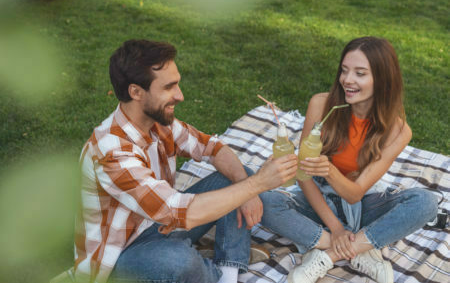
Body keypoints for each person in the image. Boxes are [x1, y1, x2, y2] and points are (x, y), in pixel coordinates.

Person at [73, 39, 298, 283]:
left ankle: (229, 272)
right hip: (120, 260)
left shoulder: (157, 123)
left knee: (235, 175)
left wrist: (246, 185)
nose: (180, 96)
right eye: (169, 87)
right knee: (178, 260)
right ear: (136, 92)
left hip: (158, 227)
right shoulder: (111, 152)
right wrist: (257, 184)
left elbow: (213, 148)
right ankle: (210, 273)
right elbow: (179, 212)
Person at [259, 37, 438, 283]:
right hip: (319, 200)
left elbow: (355, 194)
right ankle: (361, 246)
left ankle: (328, 255)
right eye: (344, 71)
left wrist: (330, 170)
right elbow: (303, 177)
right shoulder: (321, 104)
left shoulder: (398, 131)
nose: (347, 80)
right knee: (264, 201)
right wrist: (336, 228)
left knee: (426, 203)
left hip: (362, 203)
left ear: (383, 80)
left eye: (360, 73)